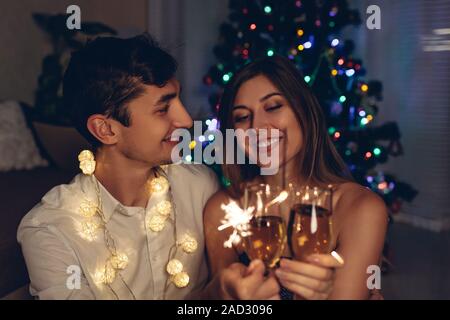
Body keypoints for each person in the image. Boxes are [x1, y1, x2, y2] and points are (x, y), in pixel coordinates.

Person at [17, 34, 279, 300]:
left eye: (179, 100)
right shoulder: (50, 229)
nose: (186, 120)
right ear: (106, 130)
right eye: (163, 109)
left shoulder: (199, 185)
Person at [204, 55, 388, 299]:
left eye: (273, 106)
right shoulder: (222, 209)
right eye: (242, 117)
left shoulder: (361, 208)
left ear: (303, 110)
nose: (257, 127)